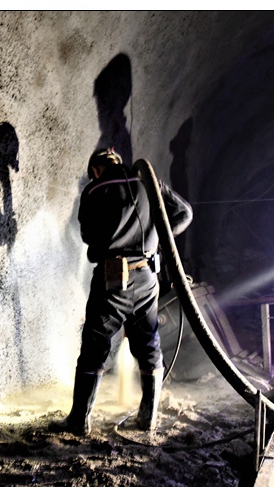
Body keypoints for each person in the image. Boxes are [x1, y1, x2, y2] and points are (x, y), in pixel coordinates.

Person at [51, 148, 193, 435]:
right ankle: (147, 419)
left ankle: (79, 421)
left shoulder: (94, 190)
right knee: (149, 347)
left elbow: (88, 236)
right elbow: (184, 213)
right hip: (147, 278)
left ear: (96, 169)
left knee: (95, 346)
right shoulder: (148, 183)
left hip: (112, 278)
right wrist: (159, 236)